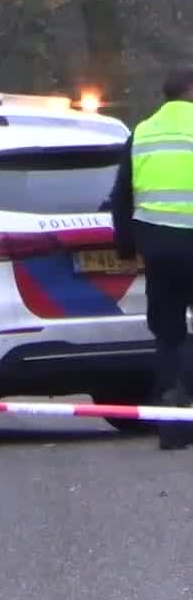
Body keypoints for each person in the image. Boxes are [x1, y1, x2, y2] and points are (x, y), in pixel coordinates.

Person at [109, 68, 193, 449]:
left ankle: (173, 424)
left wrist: (126, 248)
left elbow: (121, 195)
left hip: (158, 246)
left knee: (167, 331)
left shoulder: (142, 131)